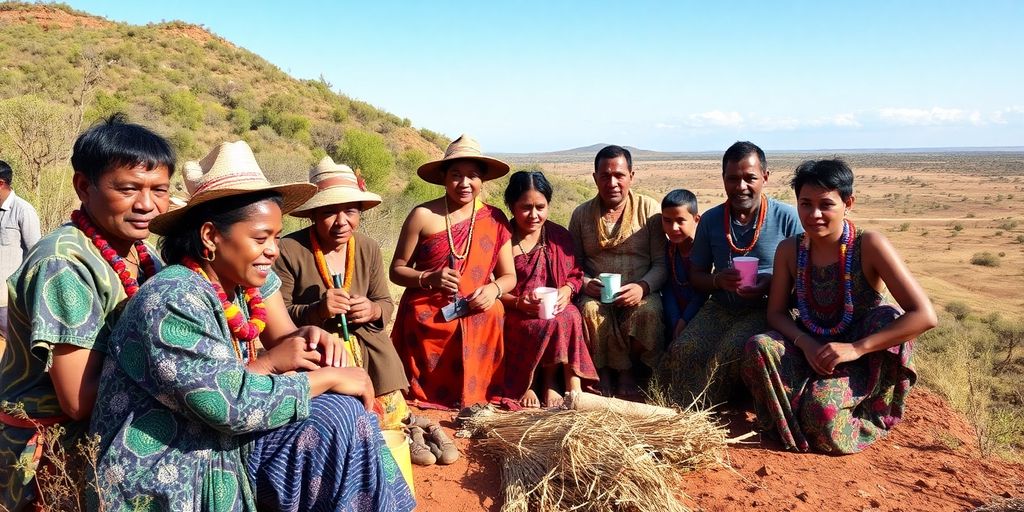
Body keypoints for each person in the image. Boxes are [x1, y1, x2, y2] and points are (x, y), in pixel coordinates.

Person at [90, 141, 414, 510]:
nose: (273, 250)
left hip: (214, 435)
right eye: (261, 238)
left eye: (276, 237)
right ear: (211, 237)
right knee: (335, 415)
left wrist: (308, 336)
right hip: (170, 461)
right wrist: (328, 378)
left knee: (340, 415)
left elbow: (270, 348)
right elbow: (228, 405)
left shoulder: (238, 285)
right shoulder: (173, 297)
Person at [0, 115, 174, 511]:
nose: (147, 204)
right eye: (128, 188)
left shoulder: (144, 254)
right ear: (83, 186)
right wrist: (186, 386)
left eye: (159, 190)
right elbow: (78, 400)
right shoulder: (63, 264)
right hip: (56, 452)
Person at [742, 159, 937, 454]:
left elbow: (924, 315)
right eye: (805, 204)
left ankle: (859, 409)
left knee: (821, 410)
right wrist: (806, 343)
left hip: (863, 359)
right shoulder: (790, 250)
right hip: (813, 350)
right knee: (758, 345)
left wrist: (856, 348)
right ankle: (791, 420)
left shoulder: (869, 244)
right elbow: (776, 313)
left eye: (826, 204)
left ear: (849, 203)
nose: (814, 214)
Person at [660, 141, 802, 407]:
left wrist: (771, 283)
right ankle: (675, 409)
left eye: (750, 178)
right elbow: (697, 277)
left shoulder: (787, 218)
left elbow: (805, 278)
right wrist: (718, 280)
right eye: (733, 179)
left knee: (729, 350)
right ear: (723, 179)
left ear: (765, 177)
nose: (741, 186)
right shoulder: (713, 220)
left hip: (767, 308)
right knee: (684, 350)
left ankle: (706, 413)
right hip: (721, 306)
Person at [273, 156, 411, 429]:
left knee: (392, 418)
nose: (341, 222)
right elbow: (279, 315)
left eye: (350, 211)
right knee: (336, 419)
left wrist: (372, 310)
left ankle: (409, 429)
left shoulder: (367, 248)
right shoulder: (289, 250)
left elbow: (385, 302)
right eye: (328, 212)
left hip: (369, 349)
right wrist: (317, 310)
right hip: (317, 352)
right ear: (312, 214)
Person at [390, 134, 515, 408]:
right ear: (444, 178)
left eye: (472, 176)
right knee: (417, 313)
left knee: (494, 311)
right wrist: (428, 278)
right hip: (429, 303)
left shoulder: (494, 218)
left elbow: (509, 276)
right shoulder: (423, 215)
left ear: (483, 181)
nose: (464, 183)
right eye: (456, 175)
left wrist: (493, 290)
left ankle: (480, 392)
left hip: (475, 302)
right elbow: (397, 270)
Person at [568, 145, 665, 399]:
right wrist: (587, 282)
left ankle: (631, 370)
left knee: (649, 312)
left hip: (639, 289)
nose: (612, 182)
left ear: (631, 175)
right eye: (605, 175)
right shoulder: (580, 215)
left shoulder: (649, 210)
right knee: (588, 310)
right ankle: (603, 371)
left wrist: (642, 287)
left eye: (619, 175)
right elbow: (573, 264)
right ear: (595, 177)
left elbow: (662, 264)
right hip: (596, 293)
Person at [500, 171, 599, 408]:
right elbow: (490, 284)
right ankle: (534, 383)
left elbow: (575, 273)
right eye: (526, 207)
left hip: (552, 306)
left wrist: (567, 289)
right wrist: (517, 302)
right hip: (513, 310)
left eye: (540, 207)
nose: (534, 215)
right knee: (544, 323)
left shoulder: (558, 236)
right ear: (511, 206)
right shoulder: (502, 238)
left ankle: (571, 384)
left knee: (571, 315)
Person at [0, 160, 41, 341]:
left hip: (8, 302)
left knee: (15, 354)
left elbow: (36, 255)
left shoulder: (23, 210)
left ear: (1, 183)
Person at [660, 189, 707, 340]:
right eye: (667, 221)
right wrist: (675, 321)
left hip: (700, 314)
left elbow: (702, 293)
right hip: (673, 314)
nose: (674, 227)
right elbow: (667, 287)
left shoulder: (704, 251)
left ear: (696, 219)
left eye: (680, 221)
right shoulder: (668, 249)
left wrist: (684, 320)